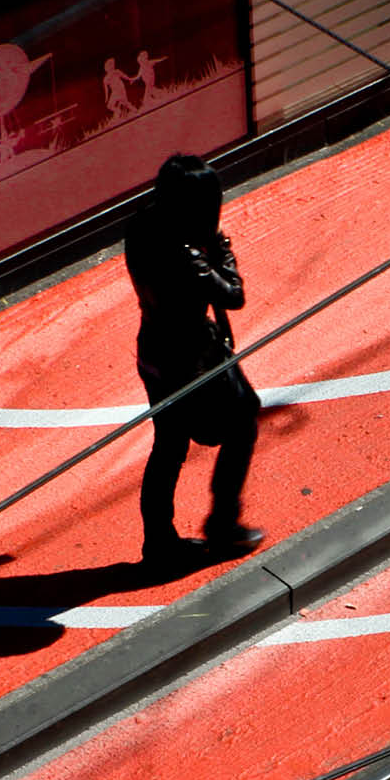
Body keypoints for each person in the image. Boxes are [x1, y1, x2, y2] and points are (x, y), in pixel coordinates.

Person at [123, 154, 263, 566]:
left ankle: (159, 540)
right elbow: (233, 294)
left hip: (154, 349)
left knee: (168, 446)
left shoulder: (142, 224)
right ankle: (223, 524)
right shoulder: (186, 254)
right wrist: (221, 246)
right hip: (192, 359)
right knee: (242, 421)